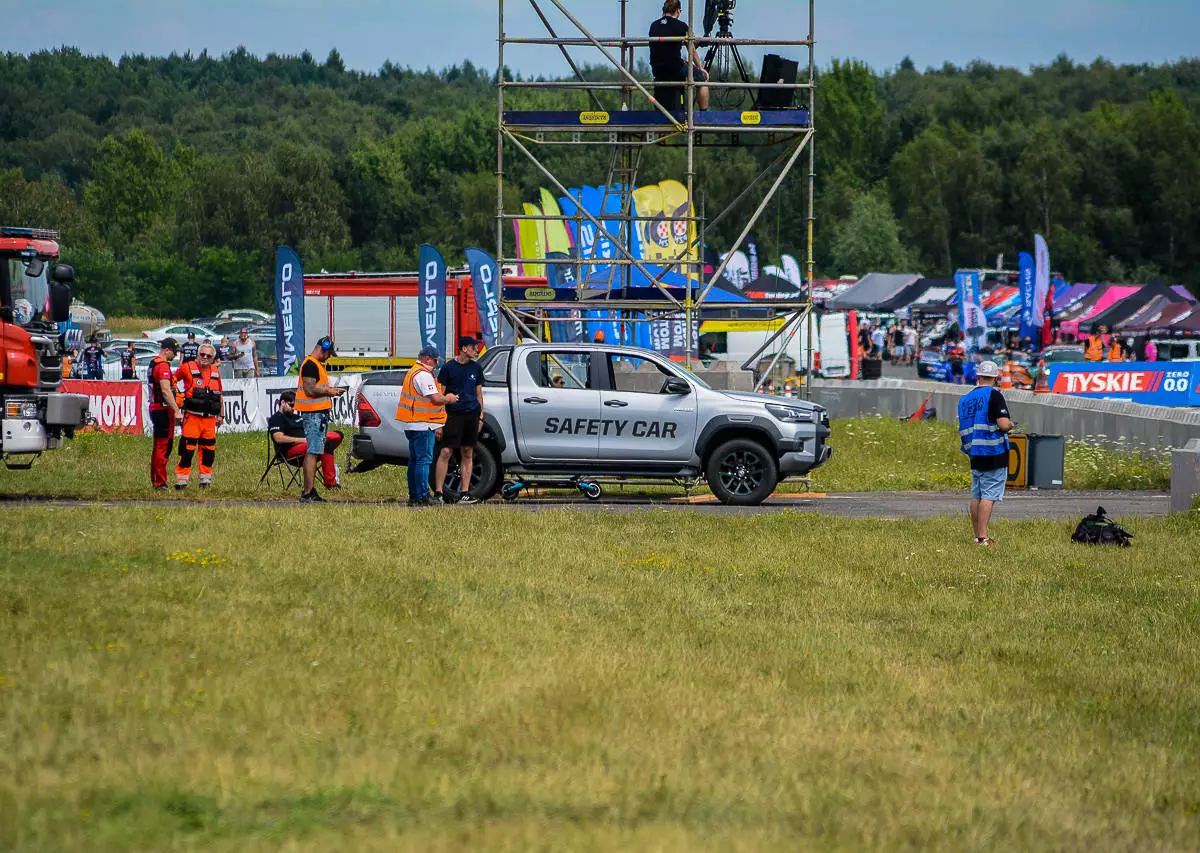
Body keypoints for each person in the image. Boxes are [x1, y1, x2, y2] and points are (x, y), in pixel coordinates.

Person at [957, 360, 1014, 546]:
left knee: (977, 495)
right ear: (997, 378)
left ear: (979, 376)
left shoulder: (965, 399)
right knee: (989, 496)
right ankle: (983, 538)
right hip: (993, 451)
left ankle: (977, 536)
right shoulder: (994, 395)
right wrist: (1011, 425)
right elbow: (1003, 424)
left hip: (974, 453)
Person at [396, 346, 458, 506]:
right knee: (424, 461)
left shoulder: (413, 372)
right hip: (423, 425)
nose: (436, 364)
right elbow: (436, 399)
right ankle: (423, 496)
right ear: (427, 358)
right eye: (435, 360)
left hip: (412, 424)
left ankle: (414, 496)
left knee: (415, 461)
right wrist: (449, 398)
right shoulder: (423, 375)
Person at [294, 336, 347, 503]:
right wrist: (330, 392)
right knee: (312, 452)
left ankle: (309, 492)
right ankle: (309, 493)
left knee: (315, 451)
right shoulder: (310, 365)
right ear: (322, 348)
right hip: (313, 414)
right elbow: (310, 390)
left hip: (317, 414)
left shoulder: (315, 365)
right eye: (329, 353)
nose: (329, 357)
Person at [435, 336, 486, 505]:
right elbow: (440, 395)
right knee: (446, 452)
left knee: (468, 451)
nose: (476, 350)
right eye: (473, 347)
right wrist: (439, 422)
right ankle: (439, 493)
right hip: (453, 415)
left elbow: (479, 393)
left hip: (471, 415)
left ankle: (465, 493)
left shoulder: (476, 368)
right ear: (464, 349)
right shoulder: (448, 368)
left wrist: (481, 416)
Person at [172, 342, 223, 489]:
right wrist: (178, 397)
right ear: (197, 355)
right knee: (187, 450)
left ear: (213, 358)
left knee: (208, 451)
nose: (204, 358)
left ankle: (205, 480)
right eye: (202, 354)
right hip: (192, 417)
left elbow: (220, 395)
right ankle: (182, 480)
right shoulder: (187, 367)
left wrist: (221, 415)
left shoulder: (215, 371)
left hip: (209, 419)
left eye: (208, 355)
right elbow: (172, 380)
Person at [268, 390, 343, 489]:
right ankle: (331, 484)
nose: (293, 408)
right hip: (291, 450)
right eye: (291, 405)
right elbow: (278, 438)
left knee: (338, 435)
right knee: (325, 443)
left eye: (295, 406)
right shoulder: (276, 418)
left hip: (309, 443)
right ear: (282, 402)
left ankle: (330, 476)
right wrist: (304, 440)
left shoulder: (297, 417)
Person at [649, 0, 709, 111]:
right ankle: (703, 113)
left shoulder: (654, 26)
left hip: (657, 70)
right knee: (702, 78)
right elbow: (692, 50)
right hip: (675, 68)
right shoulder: (681, 26)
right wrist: (701, 68)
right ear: (677, 11)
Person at [147, 338, 183, 490]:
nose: (175, 355)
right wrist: (177, 410)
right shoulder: (163, 366)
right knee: (164, 446)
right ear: (167, 350)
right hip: (162, 409)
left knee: (158, 446)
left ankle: (156, 480)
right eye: (174, 352)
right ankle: (160, 483)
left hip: (155, 407)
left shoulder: (152, 363)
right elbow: (166, 391)